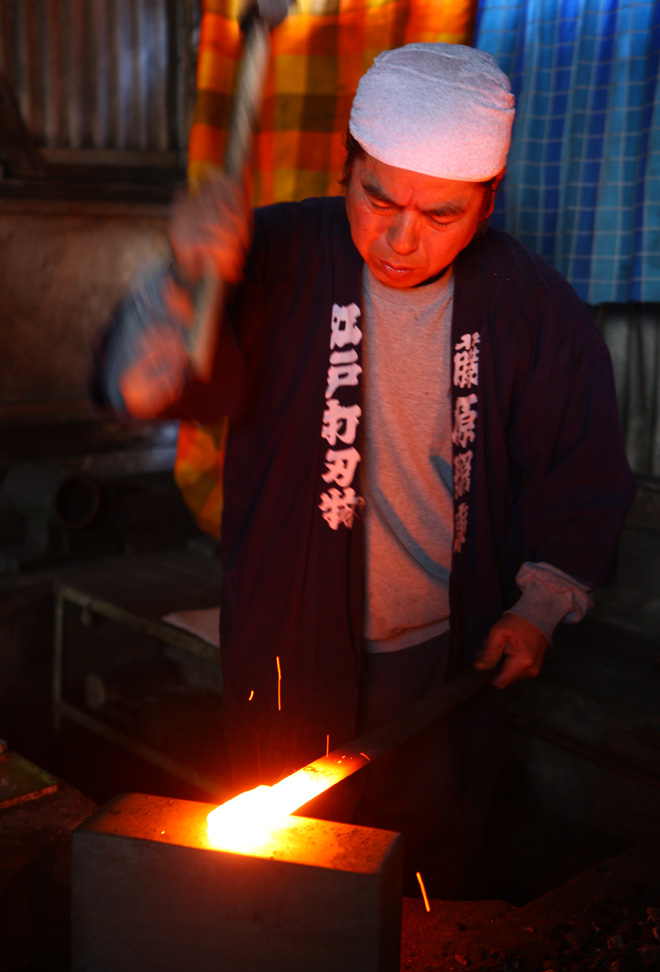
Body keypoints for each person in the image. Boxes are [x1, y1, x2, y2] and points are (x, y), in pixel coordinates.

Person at [93, 43, 635, 896]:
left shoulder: (533, 307)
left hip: (444, 655)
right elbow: (157, 382)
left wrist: (540, 605)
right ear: (346, 164)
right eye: (377, 194)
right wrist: (180, 285)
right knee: (282, 881)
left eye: (441, 214)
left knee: (431, 880)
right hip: (288, 645)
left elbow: (584, 468)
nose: (400, 237)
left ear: (488, 202)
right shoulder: (272, 252)